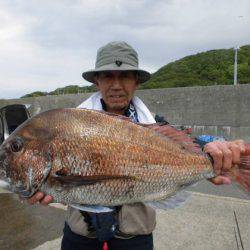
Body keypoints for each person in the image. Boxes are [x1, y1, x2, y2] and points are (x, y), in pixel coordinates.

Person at [27, 41, 246, 250]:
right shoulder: (71, 128)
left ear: (137, 81)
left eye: (125, 76)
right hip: (80, 238)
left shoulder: (155, 125)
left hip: (135, 240)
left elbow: (194, 143)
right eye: (108, 76)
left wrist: (216, 150)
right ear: (97, 81)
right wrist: (43, 186)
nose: (116, 85)